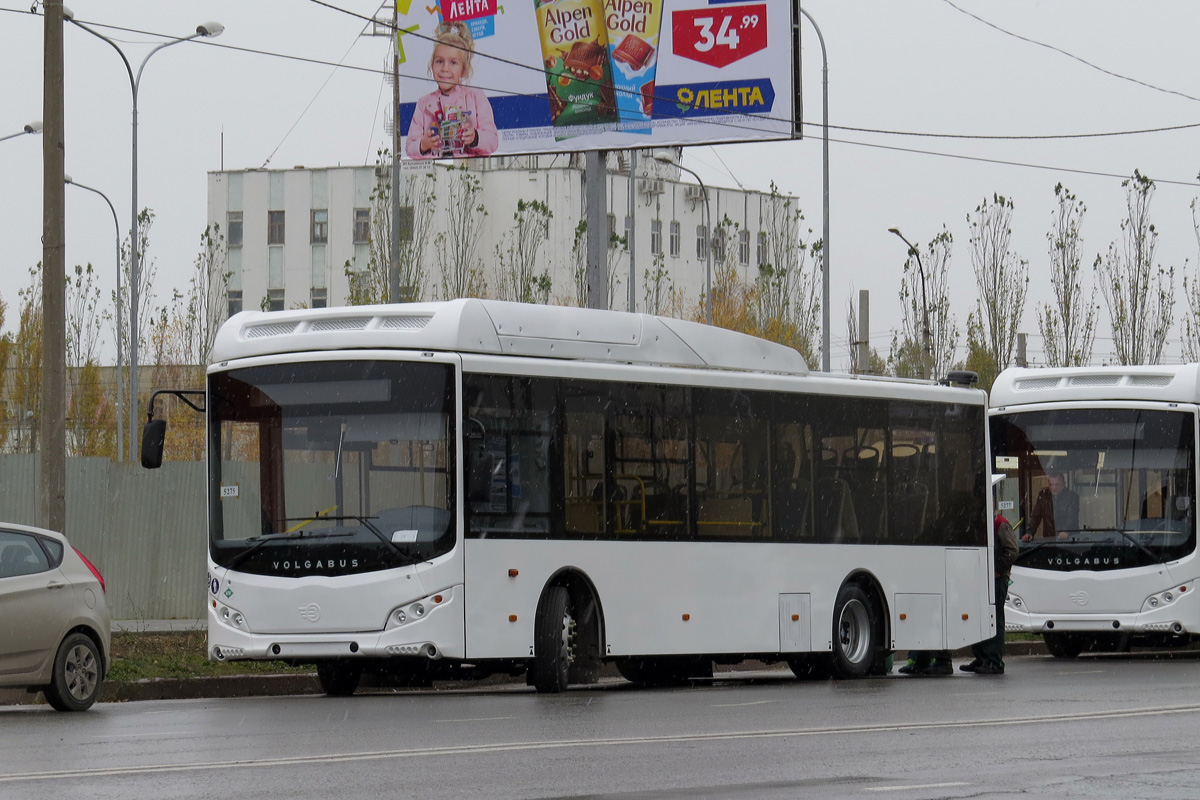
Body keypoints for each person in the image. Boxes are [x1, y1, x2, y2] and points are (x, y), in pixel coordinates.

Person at [405, 22, 498, 159]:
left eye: (453, 62)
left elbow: (492, 141)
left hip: (469, 173)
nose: (445, 68)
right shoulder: (424, 103)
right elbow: (409, 146)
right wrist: (423, 145)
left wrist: (475, 137)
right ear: (432, 65)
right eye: (439, 61)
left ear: (464, 69)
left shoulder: (476, 96)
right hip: (436, 173)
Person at [961, 509, 1020, 675]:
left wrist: (999, 570)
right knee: (982, 617)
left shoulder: (1000, 524)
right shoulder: (987, 523)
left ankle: (993, 660)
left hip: (996, 579)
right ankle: (982, 657)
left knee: (994, 618)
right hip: (984, 577)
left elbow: (1013, 550)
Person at [1023, 471, 1078, 541]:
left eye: (1057, 484)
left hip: (1069, 540)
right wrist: (1029, 533)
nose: (1053, 488)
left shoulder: (1071, 497)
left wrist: (1065, 530)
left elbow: (1071, 517)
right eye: (1051, 484)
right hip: (1048, 541)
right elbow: (1035, 517)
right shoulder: (1043, 496)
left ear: (1063, 485)